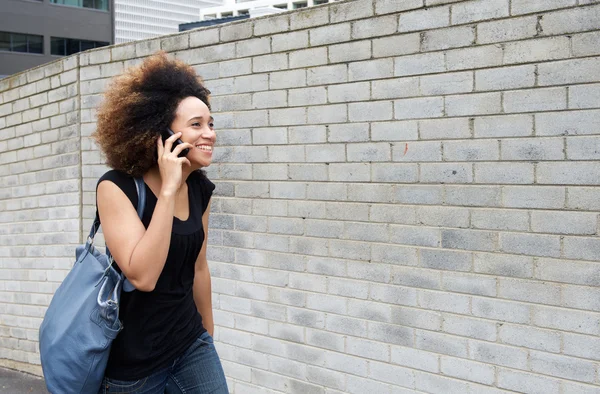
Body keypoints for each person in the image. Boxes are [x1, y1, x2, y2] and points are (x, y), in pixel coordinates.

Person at [92, 51, 227, 393]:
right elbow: (144, 276)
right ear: (161, 133)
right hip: (132, 366)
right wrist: (168, 190)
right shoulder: (116, 187)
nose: (209, 133)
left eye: (210, 123)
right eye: (196, 125)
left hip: (190, 345)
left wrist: (208, 335)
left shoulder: (200, 189)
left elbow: (198, 268)